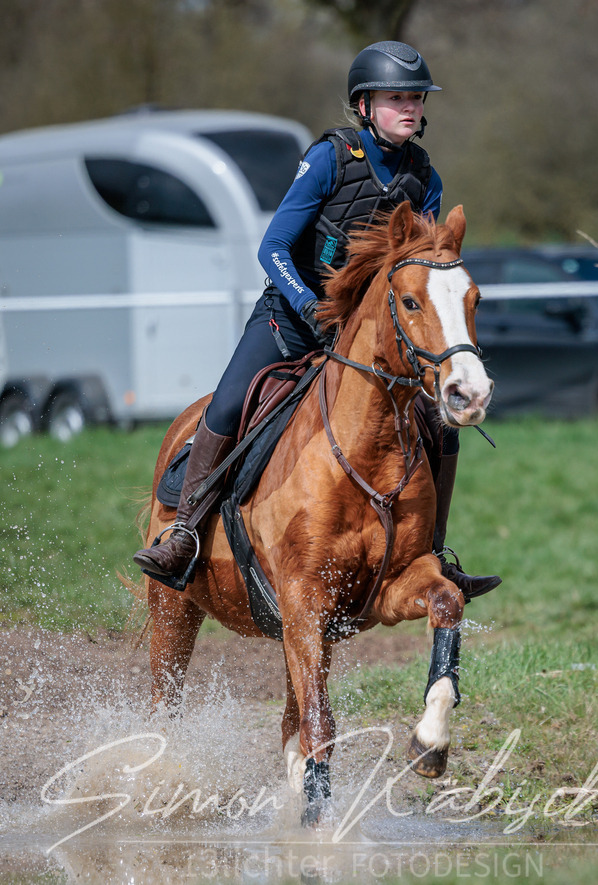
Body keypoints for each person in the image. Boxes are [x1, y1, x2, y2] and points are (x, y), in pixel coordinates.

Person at [134, 40, 501, 602]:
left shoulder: (424, 178)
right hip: (290, 317)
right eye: (394, 97)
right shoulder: (330, 159)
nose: (409, 107)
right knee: (230, 404)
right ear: (364, 106)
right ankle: (183, 530)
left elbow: (421, 272)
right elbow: (273, 245)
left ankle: (434, 549)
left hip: (362, 338)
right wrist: (306, 303)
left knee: (440, 428)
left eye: (416, 99)